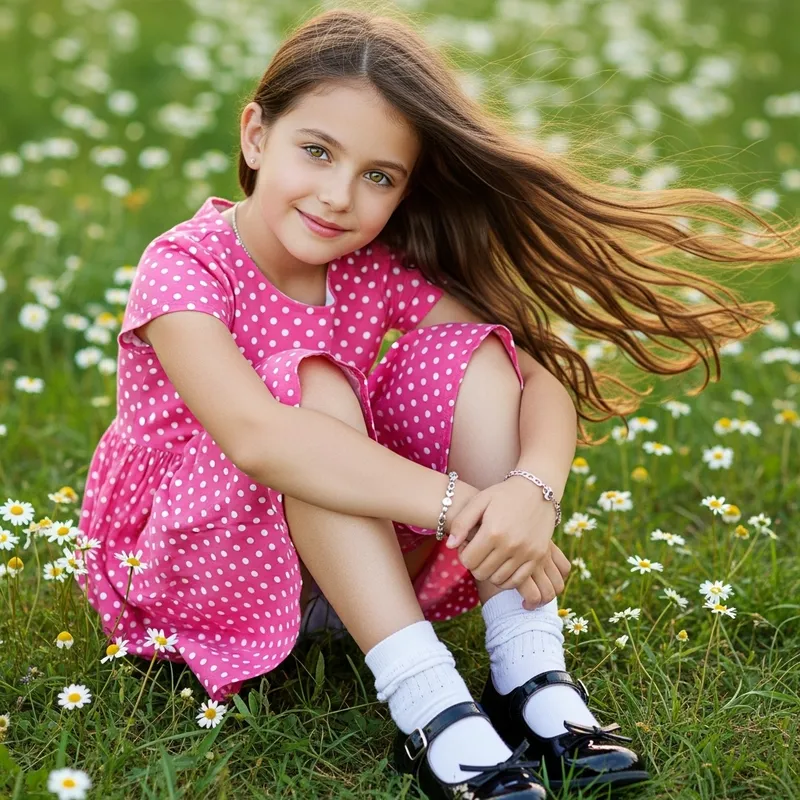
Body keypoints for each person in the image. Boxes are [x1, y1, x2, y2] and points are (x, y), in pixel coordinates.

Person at [76, 7, 799, 799]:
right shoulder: (185, 267)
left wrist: (531, 493)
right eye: (315, 152)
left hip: (345, 568)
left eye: (378, 176)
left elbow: (536, 377)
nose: (338, 197)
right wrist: (463, 506)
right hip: (191, 571)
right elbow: (258, 439)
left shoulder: (372, 266)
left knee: (478, 354)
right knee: (307, 383)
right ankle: (429, 706)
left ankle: (528, 678)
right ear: (255, 135)